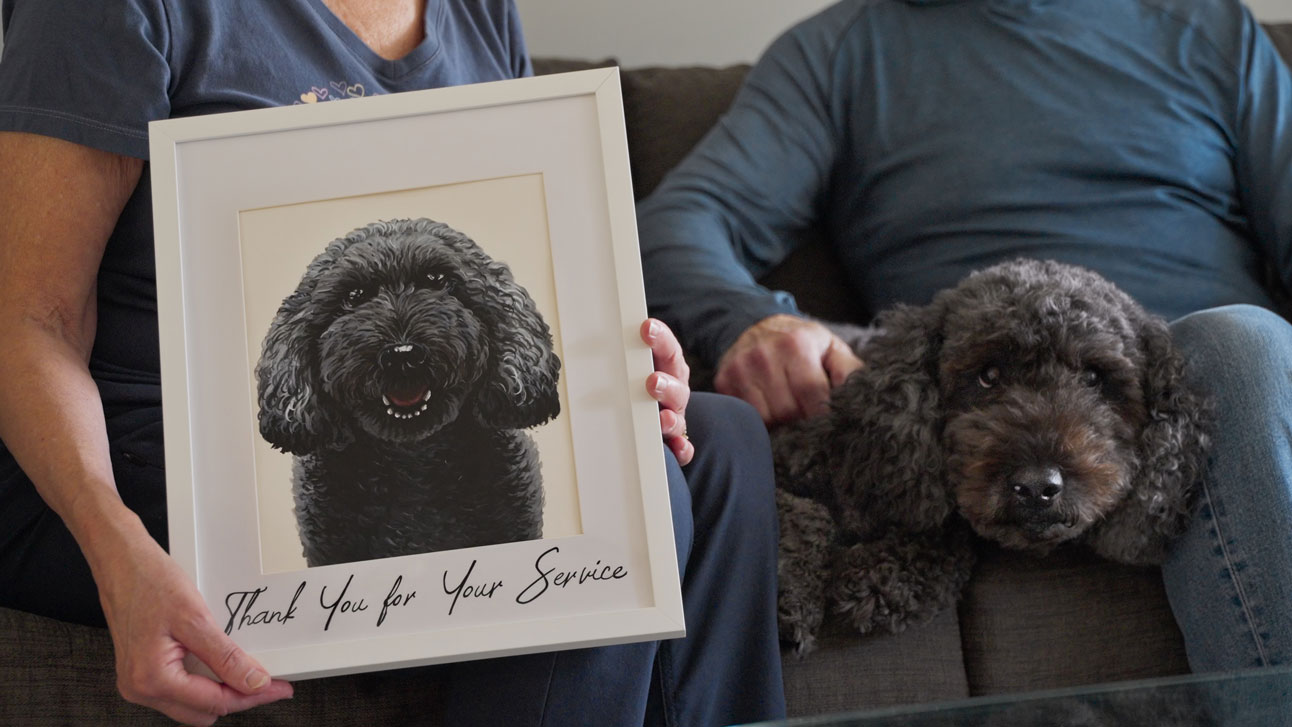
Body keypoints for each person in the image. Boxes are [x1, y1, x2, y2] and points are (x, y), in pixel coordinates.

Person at [0, 1, 787, 725]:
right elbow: (31, 317)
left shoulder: (477, 11)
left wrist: (621, 368)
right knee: (642, 486)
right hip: (138, 450)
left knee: (722, 440)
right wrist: (118, 550)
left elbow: (527, 257)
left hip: (422, 434)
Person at [637, 0, 1292, 672]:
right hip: (974, 390)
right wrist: (755, 319)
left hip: (1208, 380)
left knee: (1240, 344)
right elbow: (677, 224)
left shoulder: (1211, 31)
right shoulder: (844, 51)